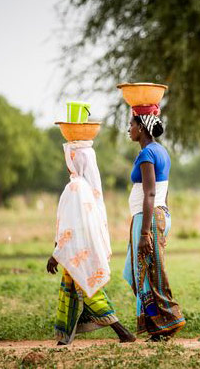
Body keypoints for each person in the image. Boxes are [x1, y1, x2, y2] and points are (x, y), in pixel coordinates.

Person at [47, 140, 135, 345]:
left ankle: (123, 332)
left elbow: (70, 226)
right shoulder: (87, 187)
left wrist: (56, 253)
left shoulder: (75, 187)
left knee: (90, 292)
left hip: (77, 251)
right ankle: (64, 338)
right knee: (73, 291)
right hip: (84, 250)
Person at [122, 107, 185, 341]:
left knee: (148, 273)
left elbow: (150, 193)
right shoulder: (162, 151)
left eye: (131, 124)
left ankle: (167, 322)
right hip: (157, 215)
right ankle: (159, 322)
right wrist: (164, 220)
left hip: (147, 218)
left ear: (142, 127)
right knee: (134, 272)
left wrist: (146, 232)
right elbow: (162, 192)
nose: (129, 129)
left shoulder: (147, 153)